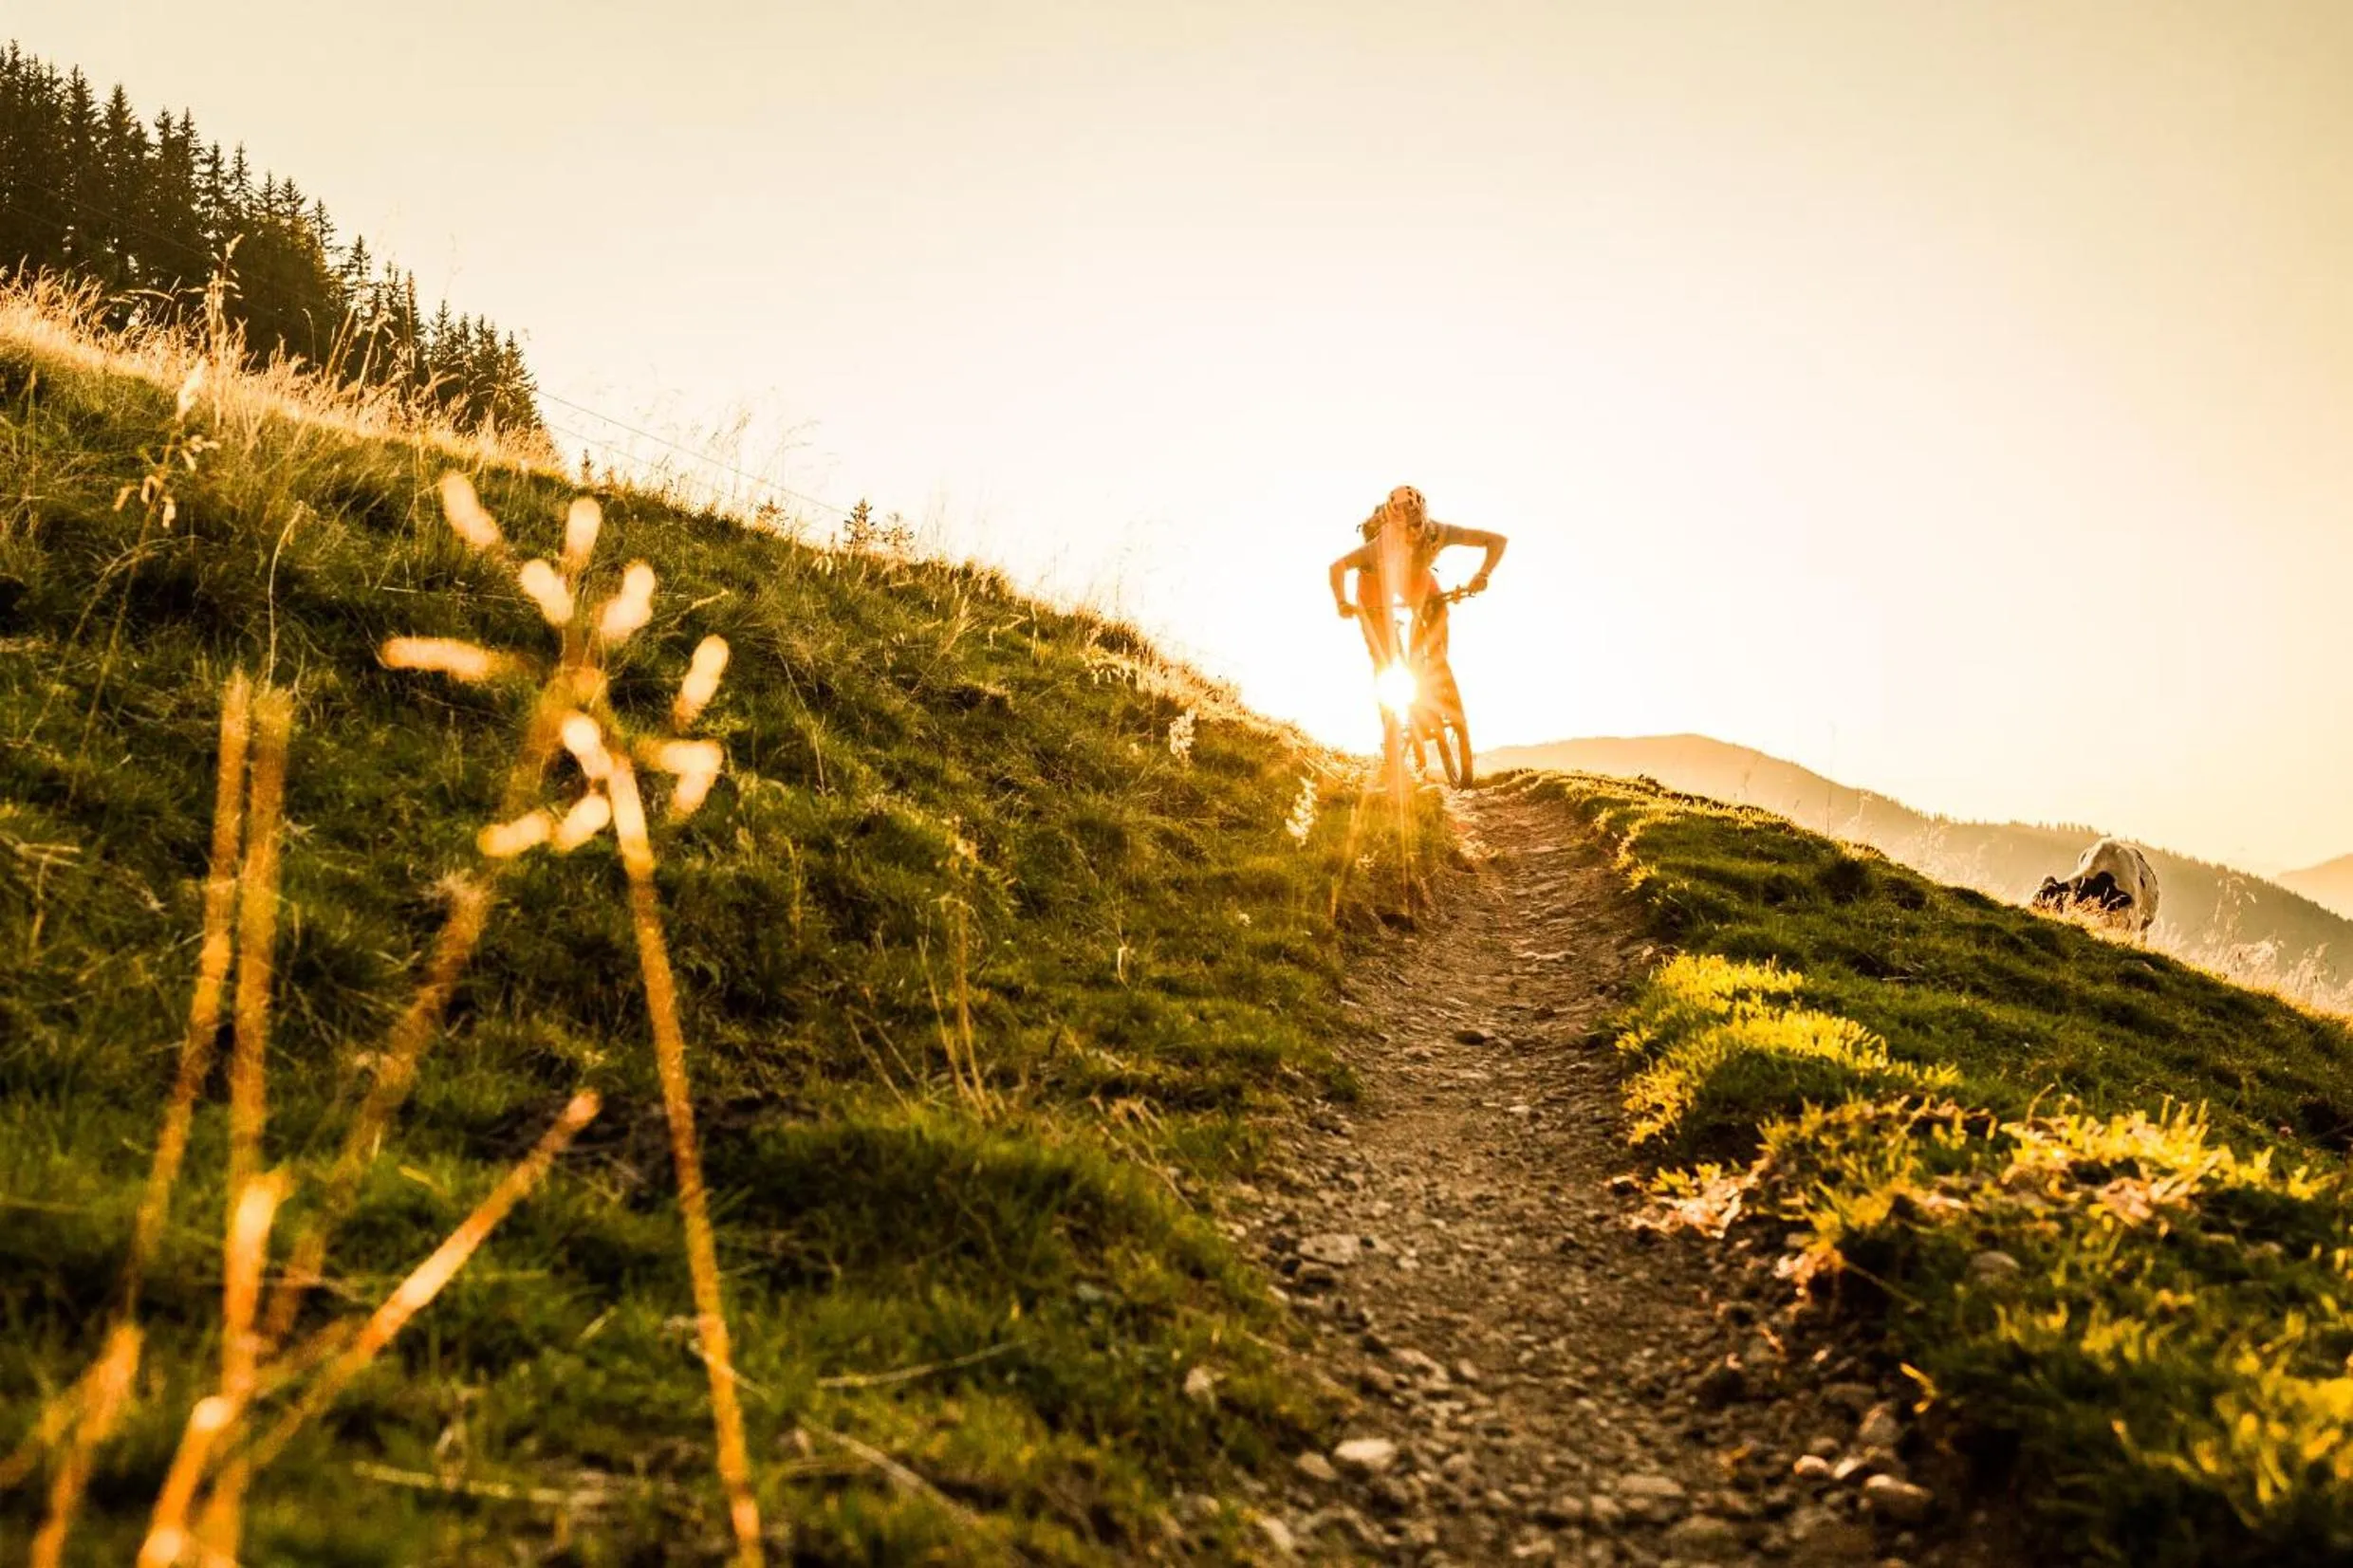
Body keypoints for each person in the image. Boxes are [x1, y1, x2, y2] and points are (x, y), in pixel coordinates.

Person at [1328, 485, 1508, 673]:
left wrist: (1483, 574)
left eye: (1416, 524)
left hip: (1413, 576)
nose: (1412, 533)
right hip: (1374, 581)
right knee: (1383, 649)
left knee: (1437, 608)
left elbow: (1497, 541)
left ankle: (1434, 667)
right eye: (1403, 529)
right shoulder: (1379, 546)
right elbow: (1337, 568)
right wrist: (1341, 602)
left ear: (1425, 518)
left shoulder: (1439, 532)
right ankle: (1387, 677)